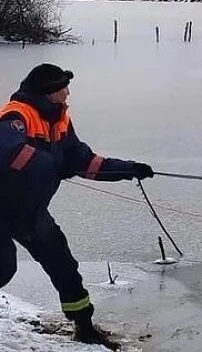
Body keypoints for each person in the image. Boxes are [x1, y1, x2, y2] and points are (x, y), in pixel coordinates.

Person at [0, 64, 154, 350]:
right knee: (2, 265)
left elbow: (84, 162)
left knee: (64, 266)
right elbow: (7, 153)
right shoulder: (15, 116)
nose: (68, 93)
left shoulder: (59, 121)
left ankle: (83, 326)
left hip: (29, 212)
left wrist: (129, 169)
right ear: (49, 93)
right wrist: (50, 166)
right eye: (63, 88)